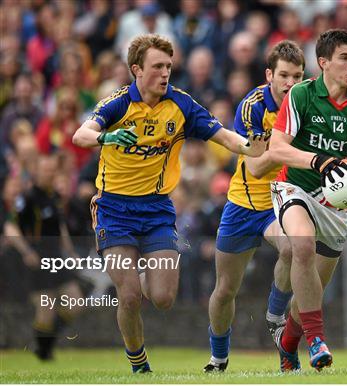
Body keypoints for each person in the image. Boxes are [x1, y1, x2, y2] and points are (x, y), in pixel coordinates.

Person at [72, 34, 266, 374]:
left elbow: (221, 134)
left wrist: (251, 147)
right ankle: (139, 365)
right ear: (136, 69)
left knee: (163, 299)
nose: (165, 73)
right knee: (130, 296)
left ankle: (146, 267)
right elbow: (81, 135)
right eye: (157, 66)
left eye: (169, 66)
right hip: (113, 210)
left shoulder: (181, 104)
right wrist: (108, 136)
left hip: (157, 210)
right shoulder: (117, 103)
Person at [269, 30, 347, 371]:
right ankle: (317, 342)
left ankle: (288, 343)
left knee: (312, 286)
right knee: (301, 247)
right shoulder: (301, 95)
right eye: (345, 58)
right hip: (294, 188)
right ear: (323, 63)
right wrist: (318, 161)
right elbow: (278, 148)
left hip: (335, 203)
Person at [203, 40, 305, 373]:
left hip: (281, 200)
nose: (291, 83)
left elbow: (270, 158)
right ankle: (219, 357)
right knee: (225, 290)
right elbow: (257, 166)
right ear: (269, 75)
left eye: (297, 76)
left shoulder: (306, 106)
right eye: (285, 75)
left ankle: (276, 317)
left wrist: (273, 152)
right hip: (243, 203)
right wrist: (284, 153)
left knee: (293, 247)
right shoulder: (252, 106)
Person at [4, 154, 84, 361]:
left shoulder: (54, 197)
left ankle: (44, 344)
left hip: (56, 257)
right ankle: (43, 352)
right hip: (37, 258)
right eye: (45, 170)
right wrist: (26, 251)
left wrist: (71, 252)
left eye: (52, 170)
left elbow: (60, 227)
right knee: (46, 309)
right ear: (37, 172)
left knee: (76, 302)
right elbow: (11, 225)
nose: (49, 173)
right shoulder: (27, 198)